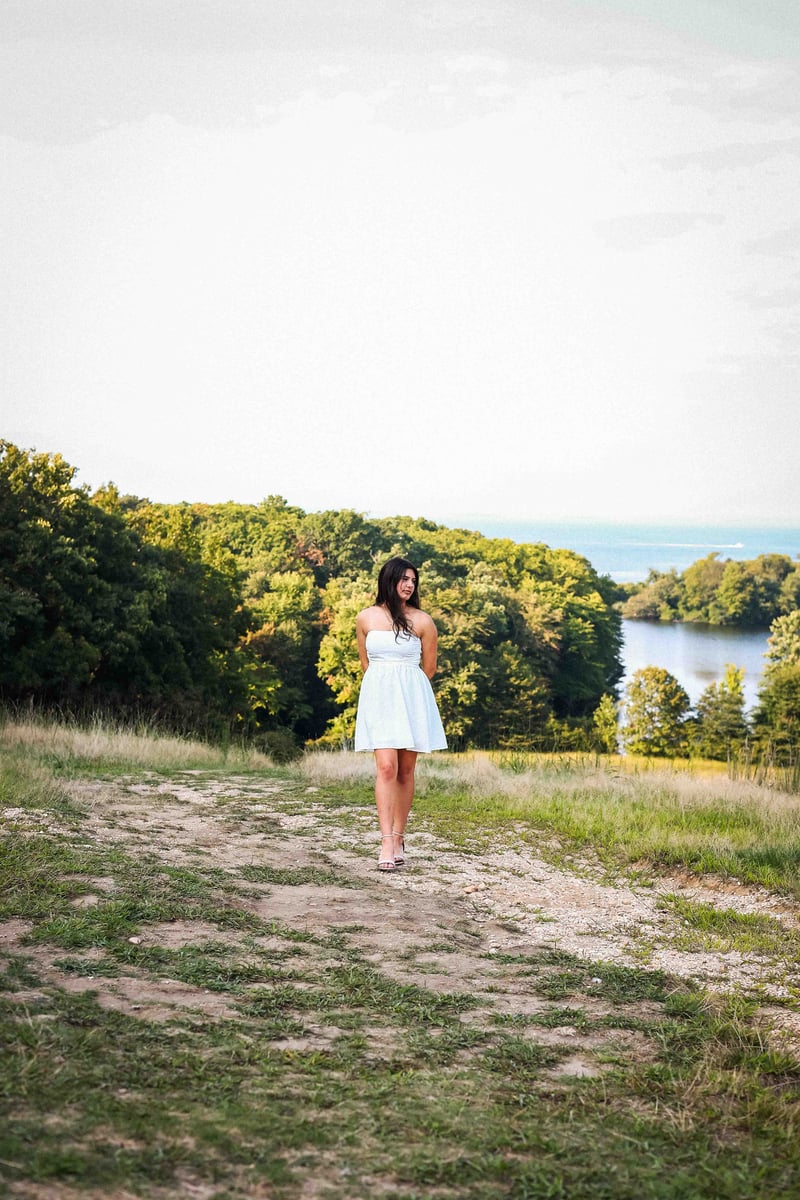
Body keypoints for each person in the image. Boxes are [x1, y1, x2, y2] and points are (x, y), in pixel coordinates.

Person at [355, 556, 447, 871]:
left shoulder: (422, 621)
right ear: (389, 580)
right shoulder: (366, 618)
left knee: (405, 772)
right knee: (386, 768)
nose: (409, 585)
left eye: (413, 580)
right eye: (404, 579)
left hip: (411, 699)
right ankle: (384, 841)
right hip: (379, 698)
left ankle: (398, 837)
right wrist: (382, 688)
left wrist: (405, 687)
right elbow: (366, 663)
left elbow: (429, 669)